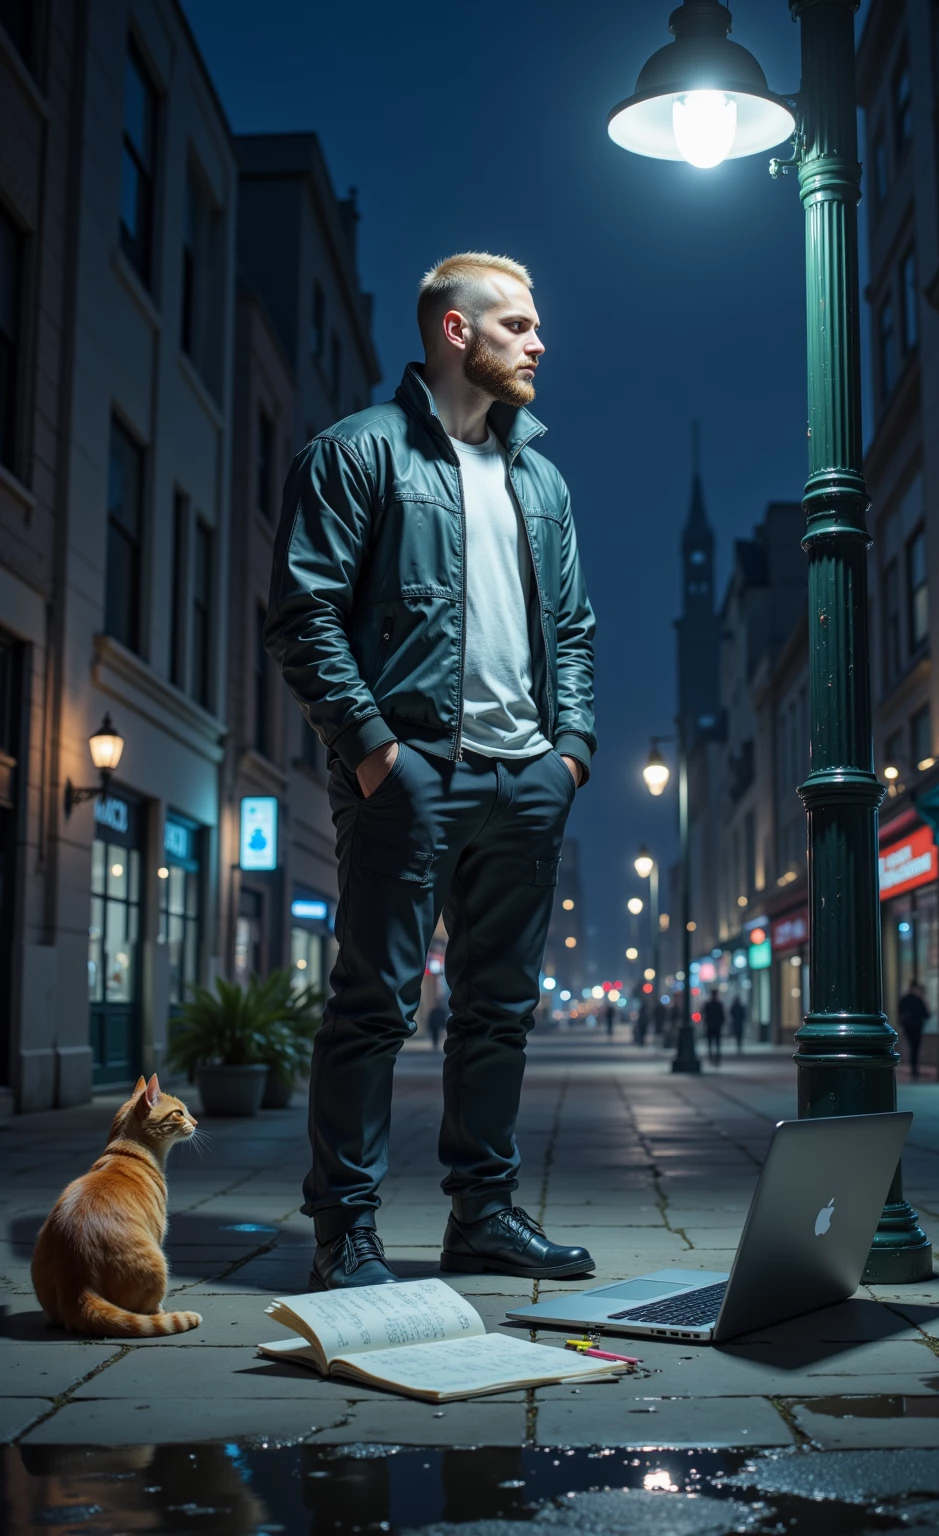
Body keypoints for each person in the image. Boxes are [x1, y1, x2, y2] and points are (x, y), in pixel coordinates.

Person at [265, 252, 597, 1290]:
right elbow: (302, 612)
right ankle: (345, 1232)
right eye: (518, 325)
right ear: (456, 331)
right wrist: (373, 752)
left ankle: (483, 1216)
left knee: (498, 1010)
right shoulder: (357, 452)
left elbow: (574, 630)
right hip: (409, 775)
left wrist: (570, 754)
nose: (539, 342)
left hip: (526, 781)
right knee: (373, 1006)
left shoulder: (542, 479)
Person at [897, 978, 930, 1079]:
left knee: (913, 1046)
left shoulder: (904, 999)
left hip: (908, 1027)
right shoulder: (918, 999)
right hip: (917, 1027)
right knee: (915, 1047)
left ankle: (913, 1067)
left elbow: (900, 1012)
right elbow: (926, 1014)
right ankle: (914, 1067)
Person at [702, 988, 725, 1067]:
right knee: (714, 1042)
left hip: (712, 1026)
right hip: (714, 1026)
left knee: (712, 1042)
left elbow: (704, 1014)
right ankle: (714, 1057)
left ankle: (713, 1057)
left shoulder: (710, 1004)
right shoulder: (716, 1004)